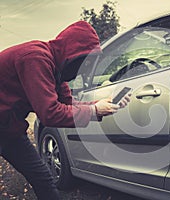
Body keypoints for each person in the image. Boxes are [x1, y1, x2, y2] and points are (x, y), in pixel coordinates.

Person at [0, 21, 130, 199]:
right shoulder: (35, 58)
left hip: (8, 130)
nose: (82, 71)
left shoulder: (56, 70)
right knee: (42, 179)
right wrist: (94, 110)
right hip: (6, 128)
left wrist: (102, 105)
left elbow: (68, 104)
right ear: (73, 54)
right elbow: (50, 113)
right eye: (84, 62)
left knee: (43, 179)